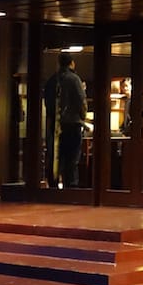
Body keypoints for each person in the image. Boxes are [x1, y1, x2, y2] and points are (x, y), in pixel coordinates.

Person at [43, 52, 87, 188]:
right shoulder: (74, 79)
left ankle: (53, 189)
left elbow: (48, 103)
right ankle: (70, 189)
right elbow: (81, 102)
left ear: (58, 63)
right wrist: (83, 117)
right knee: (71, 160)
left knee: (55, 158)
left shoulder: (51, 80)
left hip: (54, 125)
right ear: (72, 63)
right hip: (72, 125)